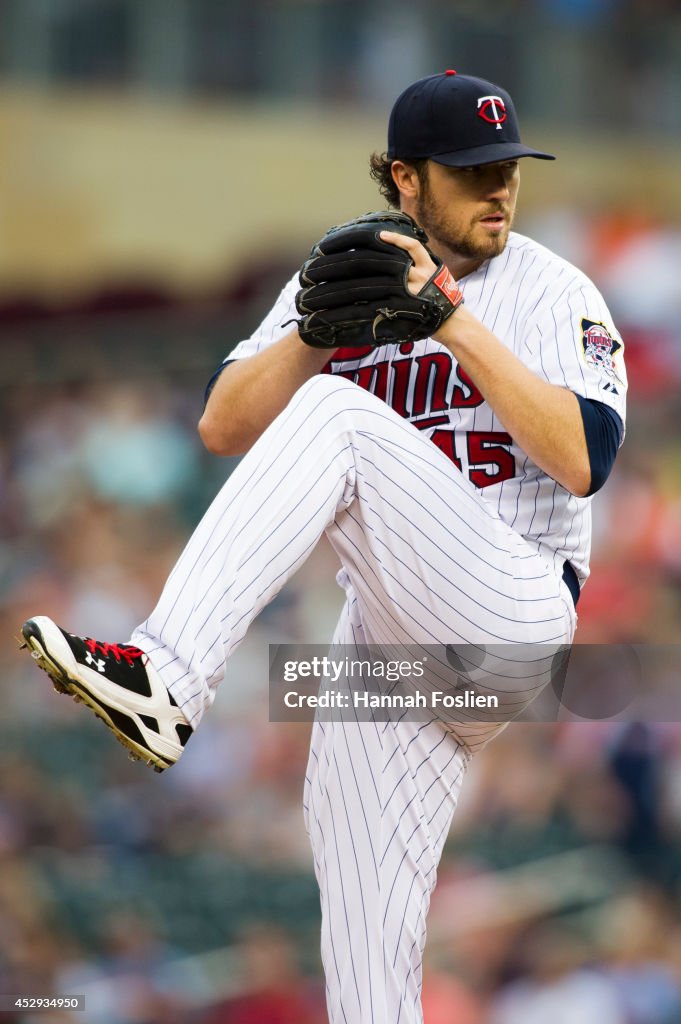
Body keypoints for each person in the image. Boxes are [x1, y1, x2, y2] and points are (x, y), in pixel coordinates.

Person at [21, 71, 626, 1023]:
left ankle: (169, 675)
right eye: (470, 171)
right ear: (404, 179)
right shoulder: (349, 263)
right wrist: (310, 333)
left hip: (513, 617)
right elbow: (222, 425)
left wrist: (451, 323)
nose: (498, 187)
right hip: (391, 641)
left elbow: (585, 457)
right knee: (362, 954)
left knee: (340, 417)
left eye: (505, 166)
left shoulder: (554, 289)